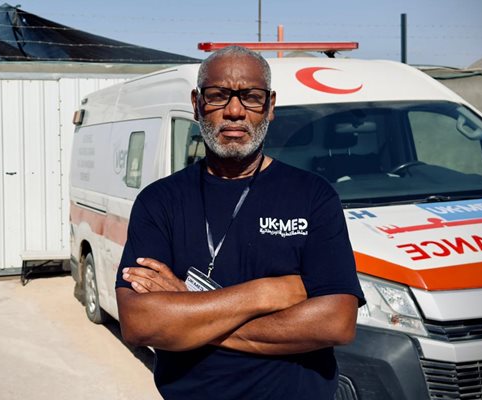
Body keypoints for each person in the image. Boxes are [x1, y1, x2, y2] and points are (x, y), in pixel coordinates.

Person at [115, 46, 365, 399]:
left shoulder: (313, 196)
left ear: (270, 106)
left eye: (250, 97)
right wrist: (266, 292)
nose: (234, 111)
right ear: (197, 103)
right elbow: (140, 323)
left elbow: (336, 322)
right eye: (218, 96)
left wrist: (188, 309)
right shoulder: (160, 202)